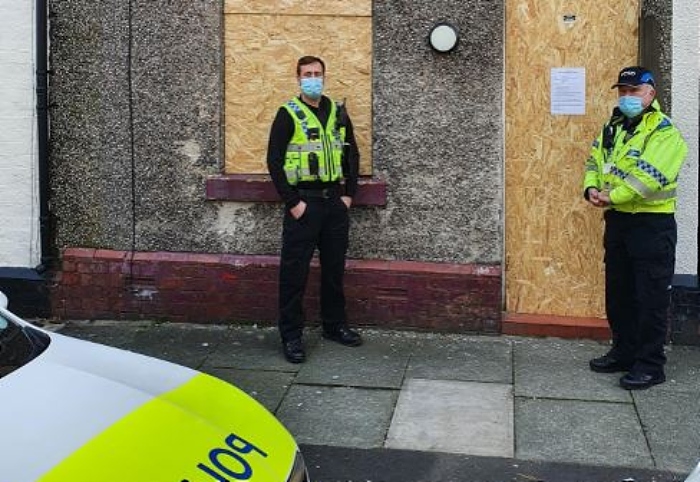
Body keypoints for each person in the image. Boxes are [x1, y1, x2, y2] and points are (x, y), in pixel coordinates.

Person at [583, 66, 688, 389]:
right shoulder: (613, 127)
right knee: (620, 292)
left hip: (650, 225)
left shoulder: (664, 131)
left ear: (651, 94)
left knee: (650, 296)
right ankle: (624, 352)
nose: (627, 97)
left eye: (634, 91)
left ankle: (650, 364)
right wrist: (590, 189)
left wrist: (610, 196)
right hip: (618, 221)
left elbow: (649, 177)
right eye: (623, 91)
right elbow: (594, 161)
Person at [266, 55, 363, 363]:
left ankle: (334, 326)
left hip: (334, 203)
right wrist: (293, 203)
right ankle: (291, 336)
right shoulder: (288, 114)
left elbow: (352, 154)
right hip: (304, 204)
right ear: (298, 78)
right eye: (307, 74)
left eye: (317, 73)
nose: (313, 78)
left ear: (324, 76)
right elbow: (274, 161)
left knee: (334, 270)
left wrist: (348, 195)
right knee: (294, 273)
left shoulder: (337, 112)